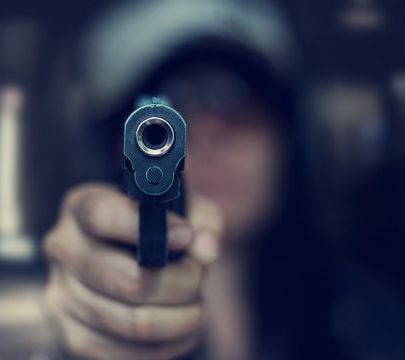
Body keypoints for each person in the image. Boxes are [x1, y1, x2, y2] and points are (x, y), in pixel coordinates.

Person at [43, 1, 340, 359]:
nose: (207, 132)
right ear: (110, 149)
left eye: (240, 99)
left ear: (289, 140)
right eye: (163, 118)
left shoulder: (373, 320)